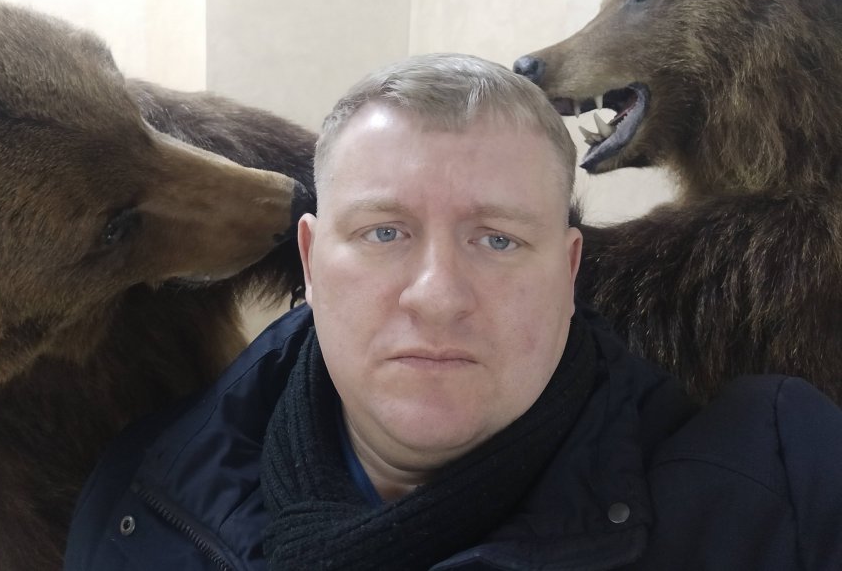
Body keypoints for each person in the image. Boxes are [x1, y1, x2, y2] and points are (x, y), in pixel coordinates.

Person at [64, 54, 842, 570]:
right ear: (311, 260)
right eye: (384, 232)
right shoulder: (135, 497)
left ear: (569, 269)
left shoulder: (779, 494)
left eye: (498, 240)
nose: (437, 295)